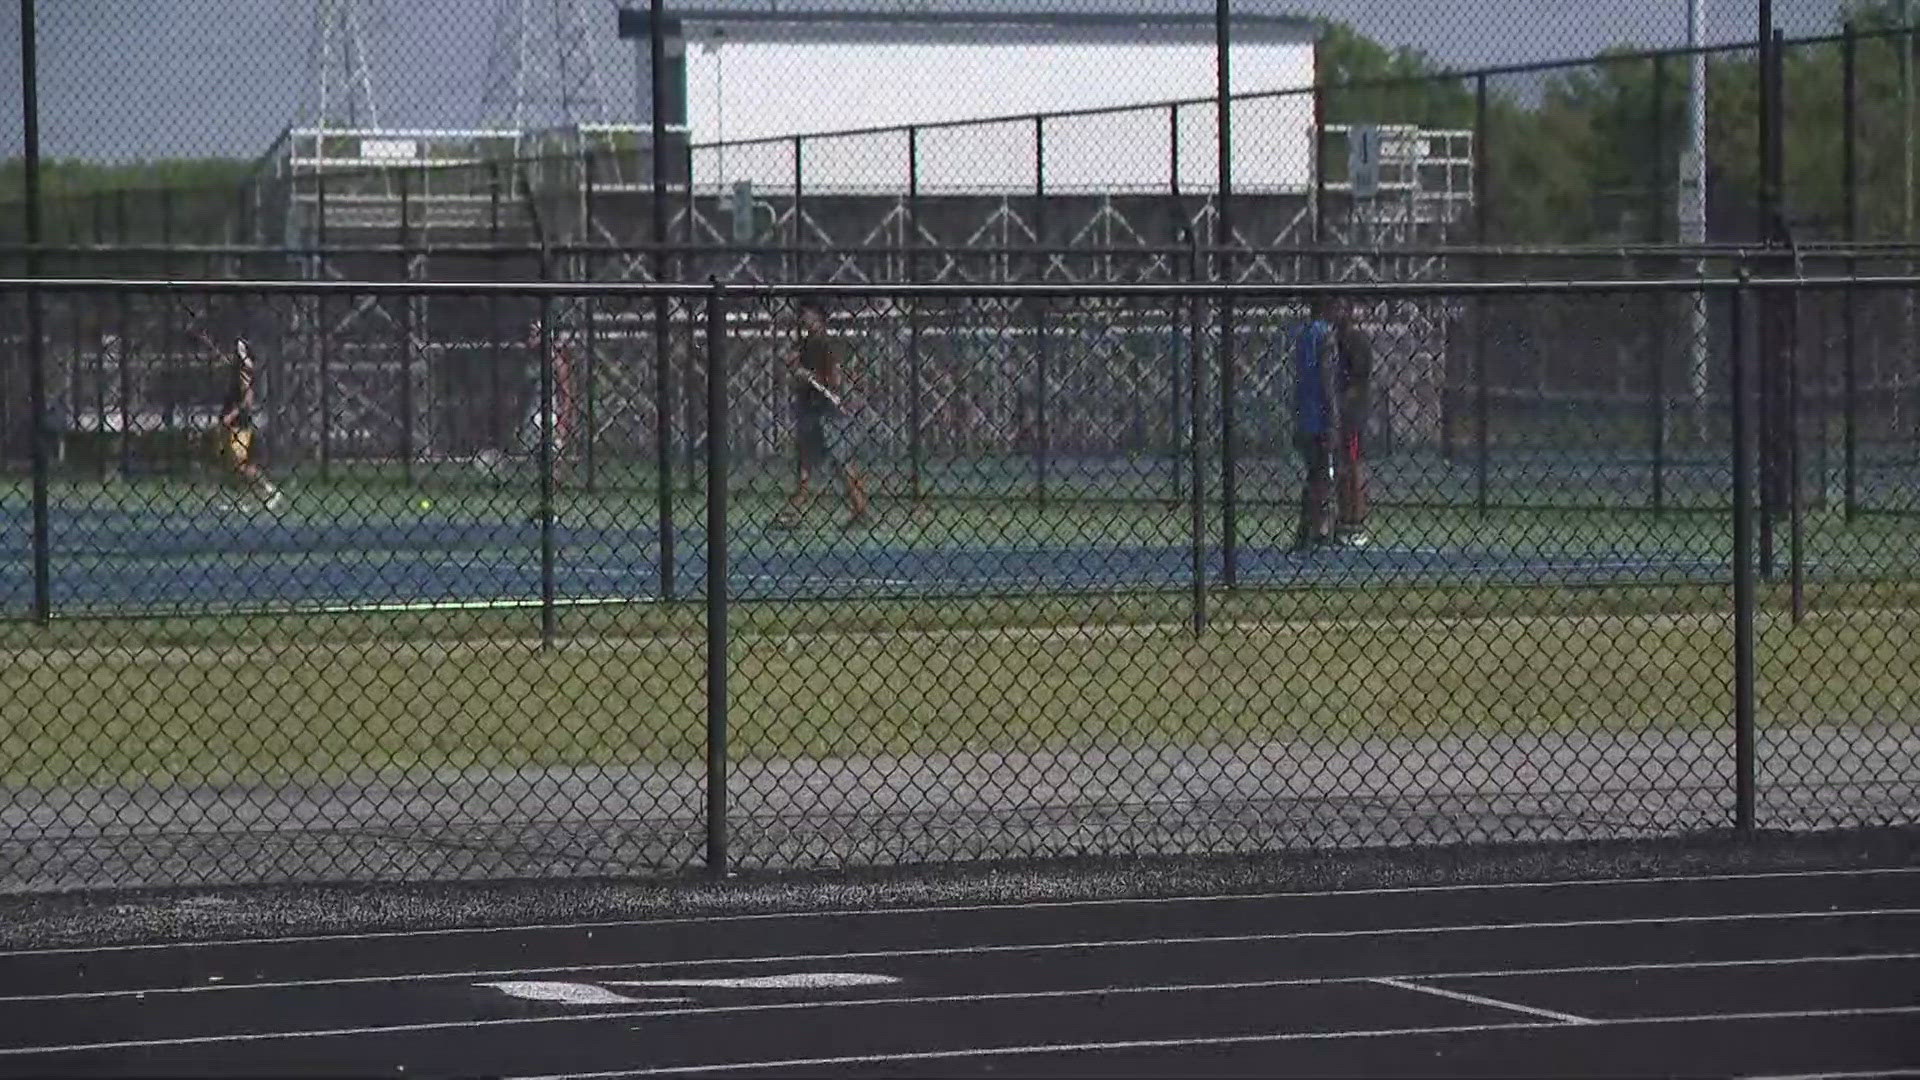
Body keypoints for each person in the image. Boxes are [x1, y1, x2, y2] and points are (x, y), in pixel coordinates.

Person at [774, 299, 868, 529]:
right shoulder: (805, 345)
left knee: (841, 462)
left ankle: (860, 510)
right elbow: (794, 374)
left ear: (820, 319)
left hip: (829, 412)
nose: (804, 320)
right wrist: (796, 372)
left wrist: (809, 376)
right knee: (806, 462)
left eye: (808, 315)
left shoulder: (824, 344)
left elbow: (833, 381)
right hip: (812, 412)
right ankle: (794, 511)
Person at [215, 337, 284, 512]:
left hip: (240, 425)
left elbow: (247, 401)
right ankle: (243, 500)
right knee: (232, 466)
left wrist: (231, 415)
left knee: (241, 465)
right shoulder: (238, 371)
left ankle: (270, 491)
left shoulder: (245, 374)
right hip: (232, 425)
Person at [1329, 298, 1373, 547]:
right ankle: (1344, 518)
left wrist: (1341, 406)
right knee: (1340, 468)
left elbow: (1358, 381)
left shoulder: (1356, 341)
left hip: (1351, 415)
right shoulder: (1332, 339)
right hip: (1337, 414)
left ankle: (1356, 521)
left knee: (1353, 465)